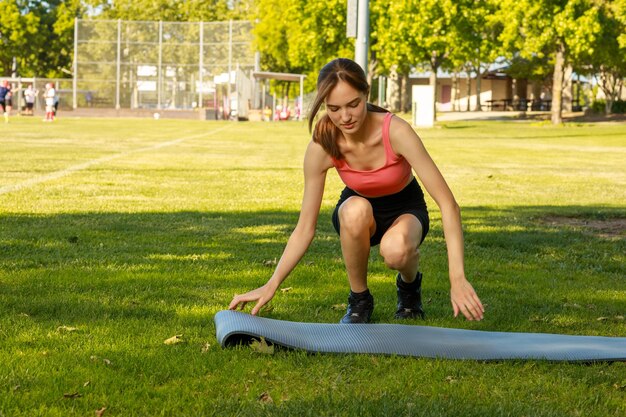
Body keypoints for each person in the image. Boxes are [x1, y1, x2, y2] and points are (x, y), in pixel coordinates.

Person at [229, 58, 484, 323]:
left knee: (395, 250)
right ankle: (359, 300)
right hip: (359, 210)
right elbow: (305, 228)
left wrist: (458, 278)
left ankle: (409, 288)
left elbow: (448, 204)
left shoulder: (396, 131)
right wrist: (271, 284)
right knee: (354, 209)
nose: (345, 117)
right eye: (334, 109)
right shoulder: (322, 145)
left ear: (366, 94)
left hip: (405, 207)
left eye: (353, 104)